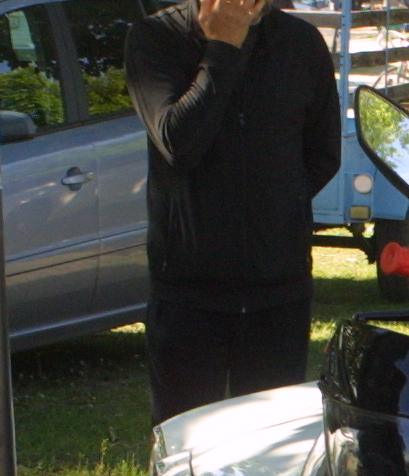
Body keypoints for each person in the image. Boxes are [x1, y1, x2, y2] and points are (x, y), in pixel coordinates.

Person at [127, 0, 339, 424]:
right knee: (185, 438)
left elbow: (323, 154)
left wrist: (275, 208)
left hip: (277, 288)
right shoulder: (158, 37)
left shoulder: (299, 42)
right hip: (189, 290)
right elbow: (177, 144)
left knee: (271, 440)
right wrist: (222, 48)